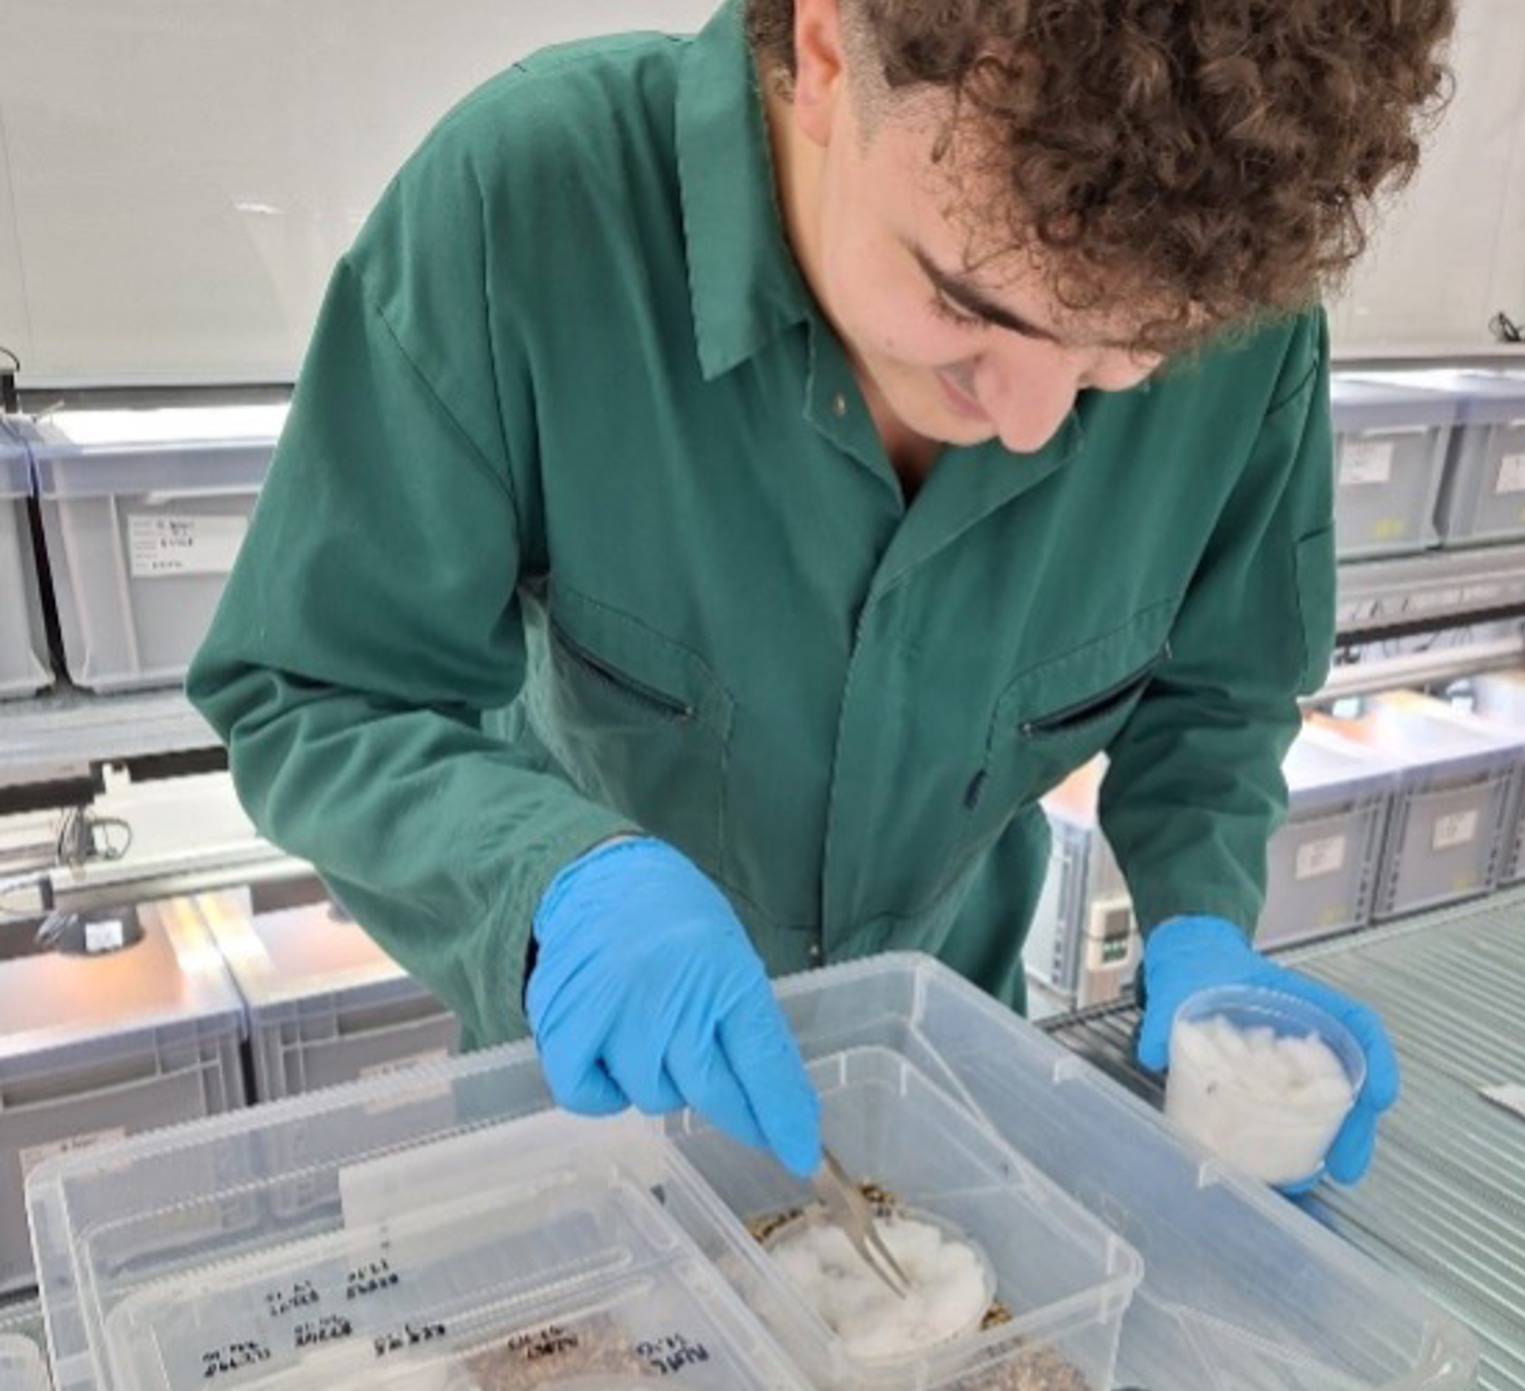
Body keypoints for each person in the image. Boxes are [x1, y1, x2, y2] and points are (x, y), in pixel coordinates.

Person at [188, 0, 1454, 1191]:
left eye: (1136, 355)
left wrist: (1205, 922)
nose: (1030, 424)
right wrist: (549, 885)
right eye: (968, 305)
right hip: (589, 1123)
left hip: (941, 1105)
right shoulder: (523, 211)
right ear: (829, 48)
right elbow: (320, 687)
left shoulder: (1247, 324)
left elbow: (1218, 692)